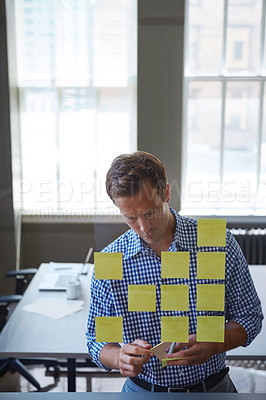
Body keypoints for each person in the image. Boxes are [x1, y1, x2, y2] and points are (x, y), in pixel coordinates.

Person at [86, 151, 263, 392]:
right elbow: (97, 340)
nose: (144, 227)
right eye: (130, 217)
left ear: (166, 193)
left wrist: (214, 343)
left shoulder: (217, 241)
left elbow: (250, 317)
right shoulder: (110, 260)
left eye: (150, 212)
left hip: (213, 388)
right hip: (143, 390)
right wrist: (118, 357)